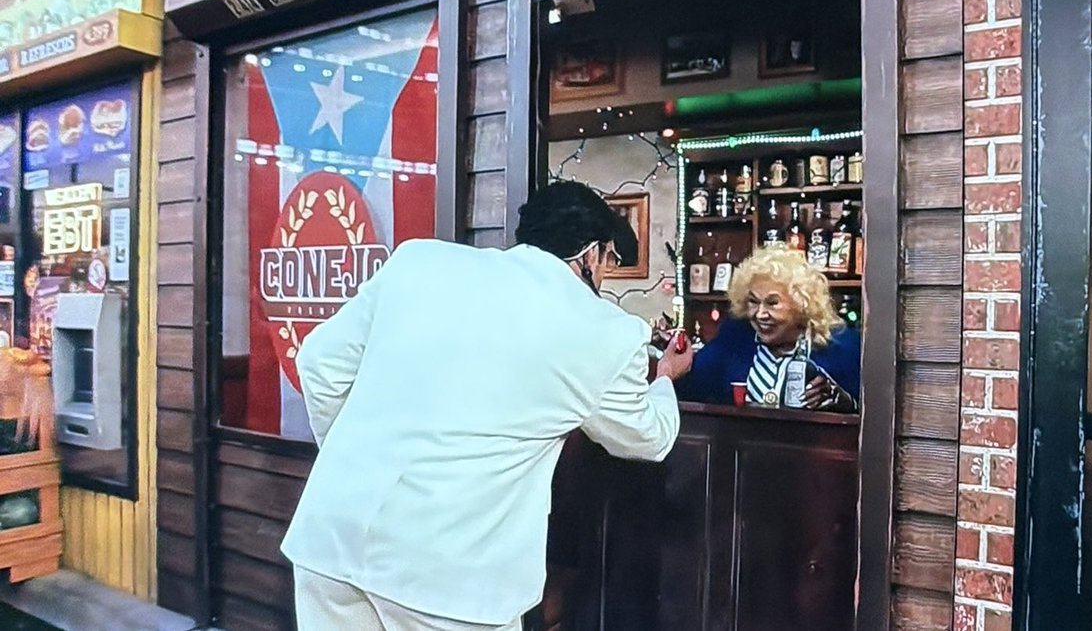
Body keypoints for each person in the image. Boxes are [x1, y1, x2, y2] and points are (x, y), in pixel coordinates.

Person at [280, 181, 694, 631]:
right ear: (591, 254)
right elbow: (647, 438)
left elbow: (318, 363)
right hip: (451, 577)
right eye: (611, 259)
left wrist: (352, 460)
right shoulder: (606, 331)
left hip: (331, 539)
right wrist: (666, 378)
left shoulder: (419, 261)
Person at [674, 248, 860, 408]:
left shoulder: (843, 345)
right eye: (753, 302)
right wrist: (672, 366)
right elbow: (688, 391)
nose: (760, 314)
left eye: (772, 303)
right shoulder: (734, 337)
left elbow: (873, 415)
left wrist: (842, 401)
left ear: (802, 305)